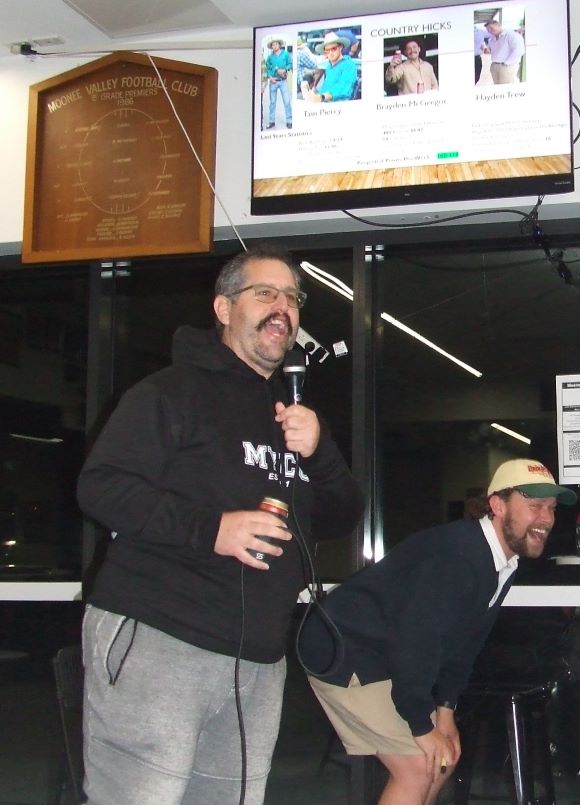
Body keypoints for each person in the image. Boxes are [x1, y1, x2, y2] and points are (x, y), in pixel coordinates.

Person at [77, 243, 365, 805]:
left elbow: (342, 515)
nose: (282, 306)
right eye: (265, 293)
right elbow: (101, 486)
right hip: (161, 637)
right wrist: (213, 529)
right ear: (223, 308)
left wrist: (320, 450)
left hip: (257, 660)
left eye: (292, 297)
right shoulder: (169, 391)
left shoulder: (290, 413)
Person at [298, 458, 576, 805]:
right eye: (534, 506)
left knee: (441, 761)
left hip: (385, 652)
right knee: (418, 765)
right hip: (344, 647)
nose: (547, 519)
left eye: (550, 509)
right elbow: (417, 642)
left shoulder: (502, 561)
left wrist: (445, 711)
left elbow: (465, 645)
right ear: (497, 505)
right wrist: (420, 725)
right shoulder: (458, 557)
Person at [302, 31, 359, 103]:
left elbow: (343, 88)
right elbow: (325, 88)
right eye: (327, 50)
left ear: (340, 47)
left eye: (334, 49)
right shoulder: (329, 65)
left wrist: (321, 97)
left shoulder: (349, 64)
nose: (330, 53)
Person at [484, 18, 525, 85]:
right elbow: (490, 50)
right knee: (497, 86)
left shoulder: (511, 35)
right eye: (488, 30)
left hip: (506, 67)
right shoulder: (491, 39)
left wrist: (506, 63)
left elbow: (519, 50)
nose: (490, 31)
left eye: (491, 28)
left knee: (506, 88)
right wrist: (487, 50)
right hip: (494, 66)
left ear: (498, 25)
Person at [265, 37, 293, 129]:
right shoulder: (269, 57)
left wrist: (284, 70)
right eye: (273, 45)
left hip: (283, 81)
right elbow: (267, 69)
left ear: (279, 45)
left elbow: (290, 64)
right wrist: (270, 78)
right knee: (272, 102)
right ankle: (271, 121)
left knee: (287, 101)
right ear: (271, 47)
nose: (274, 46)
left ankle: (289, 121)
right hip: (273, 81)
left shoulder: (285, 54)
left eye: (276, 44)